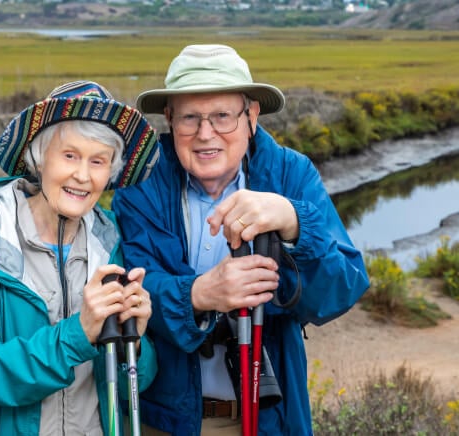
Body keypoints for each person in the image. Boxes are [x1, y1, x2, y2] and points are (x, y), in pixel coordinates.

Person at [112, 44, 370, 435]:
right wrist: (198, 294)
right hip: (164, 419)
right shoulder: (141, 183)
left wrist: (295, 222)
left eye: (221, 117)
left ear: (251, 115)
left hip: (267, 417)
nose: (205, 134)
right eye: (189, 118)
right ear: (168, 119)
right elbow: (131, 283)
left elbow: (343, 289)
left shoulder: (291, 175)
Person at [0, 80, 161, 435]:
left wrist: (135, 341)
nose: (82, 176)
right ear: (39, 157)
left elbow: (132, 385)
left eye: (98, 161)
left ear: (110, 171)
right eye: (69, 155)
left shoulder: (110, 240)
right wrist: (76, 335)